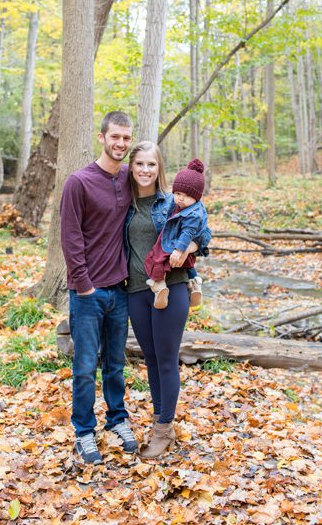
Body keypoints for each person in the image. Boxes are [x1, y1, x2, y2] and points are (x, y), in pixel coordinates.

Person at [60, 111, 139, 465]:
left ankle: (117, 421)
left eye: (126, 138)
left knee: (116, 365)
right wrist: (84, 287)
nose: (120, 143)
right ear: (102, 137)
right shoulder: (78, 182)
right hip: (88, 294)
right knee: (84, 365)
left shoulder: (129, 178)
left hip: (119, 291)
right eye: (115, 137)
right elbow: (70, 238)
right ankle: (83, 431)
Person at [124, 141, 212, 459]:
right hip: (136, 289)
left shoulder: (174, 202)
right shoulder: (125, 202)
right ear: (131, 168)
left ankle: (163, 430)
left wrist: (191, 248)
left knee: (165, 359)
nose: (146, 170)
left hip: (171, 288)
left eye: (152, 164)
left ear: (159, 168)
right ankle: (160, 421)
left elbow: (203, 232)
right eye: (140, 164)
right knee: (150, 359)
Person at [144, 159, 209, 310]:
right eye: (178, 193)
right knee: (187, 264)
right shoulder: (177, 203)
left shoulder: (193, 213)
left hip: (176, 246)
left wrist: (183, 249)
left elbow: (194, 232)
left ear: (196, 197)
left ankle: (159, 285)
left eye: (186, 195)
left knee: (157, 259)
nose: (180, 198)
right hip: (180, 251)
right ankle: (194, 283)